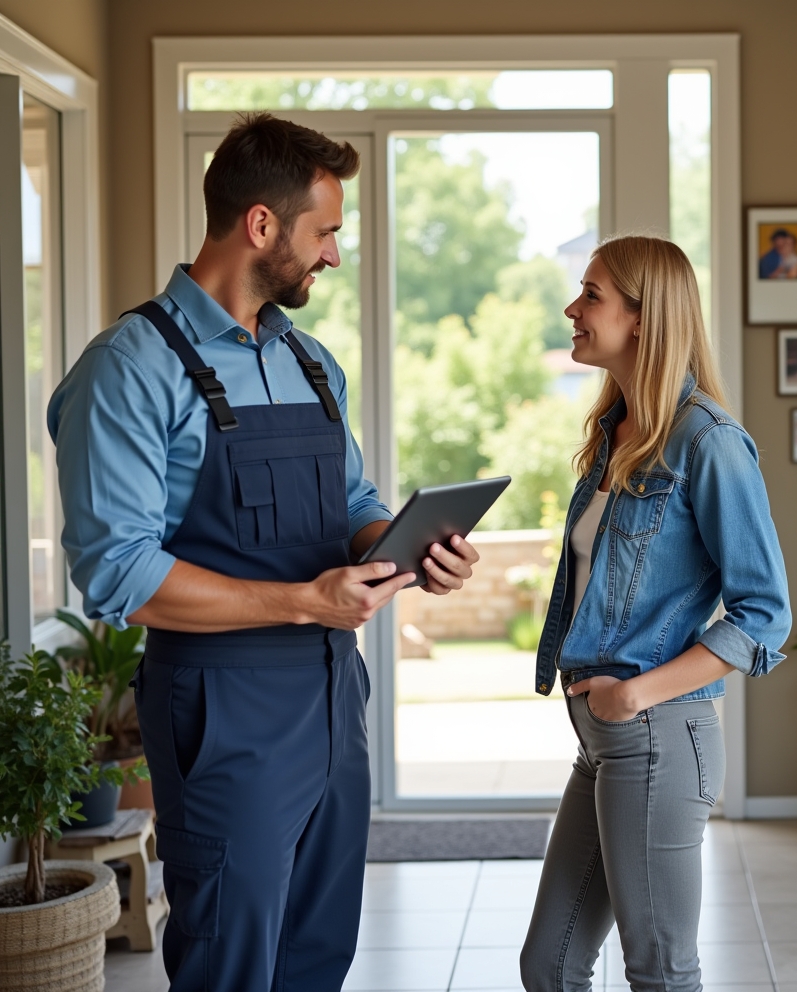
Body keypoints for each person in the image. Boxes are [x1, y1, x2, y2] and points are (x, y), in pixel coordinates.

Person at [47, 113, 479, 992]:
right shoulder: (129, 369)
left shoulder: (311, 360)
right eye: (325, 232)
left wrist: (404, 546)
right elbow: (118, 571)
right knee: (230, 959)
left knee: (319, 949)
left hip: (329, 694)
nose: (332, 254)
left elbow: (351, 501)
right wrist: (304, 601)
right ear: (261, 225)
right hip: (221, 709)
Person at [520, 236, 791, 992]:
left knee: (661, 971)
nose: (573, 309)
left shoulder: (708, 441)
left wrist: (635, 693)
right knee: (549, 964)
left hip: (658, 736)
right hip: (603, 739)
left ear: (644, 317)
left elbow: (764, 614)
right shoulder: (615, 434)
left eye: (592, 295)